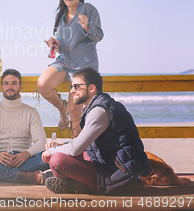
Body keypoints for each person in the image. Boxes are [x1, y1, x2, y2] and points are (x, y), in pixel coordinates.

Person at [42, 67, 151, 195]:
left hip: (122, 175)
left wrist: (51, 151)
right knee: (61, 155)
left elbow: (75, 149)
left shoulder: (100, 111)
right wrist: (60, 147)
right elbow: (82, 143)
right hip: (111, 164)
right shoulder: (98, 106)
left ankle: (86, 186)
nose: (71, 91)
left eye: (76, 86)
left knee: (57, 161)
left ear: (91, 88)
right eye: (71, 87)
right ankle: (79, 184)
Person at [37, 0, 103, 137]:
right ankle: (62, 109)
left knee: (75, 112)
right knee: (43, 85)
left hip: (84, 66)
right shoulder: (61, 16)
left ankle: (77, 152)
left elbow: (99, 35)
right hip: (64, 62)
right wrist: (54, 44)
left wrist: (87, 26)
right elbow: (63, 45)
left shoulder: (88, 9)